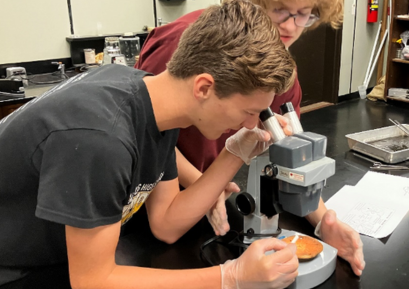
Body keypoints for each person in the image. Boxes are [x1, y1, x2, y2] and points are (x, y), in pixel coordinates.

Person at [0, 1, 300, 288]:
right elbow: (93, 280)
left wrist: (235, 153)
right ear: (204, 87)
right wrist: (230, 277)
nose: (250, 124)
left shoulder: (156, 103)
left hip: (60, 259)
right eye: (248, 112)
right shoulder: (101, 139)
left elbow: (166, 224)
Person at [134, 0, 365, 277]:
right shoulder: (187, 42)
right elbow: (146, 126)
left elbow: (290, 156)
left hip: (214, 186)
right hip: (147, 195)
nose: (290, 26)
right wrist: (204, 186)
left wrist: (322, 222)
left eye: (304, 15)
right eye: (280, 10)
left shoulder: (276, 68)